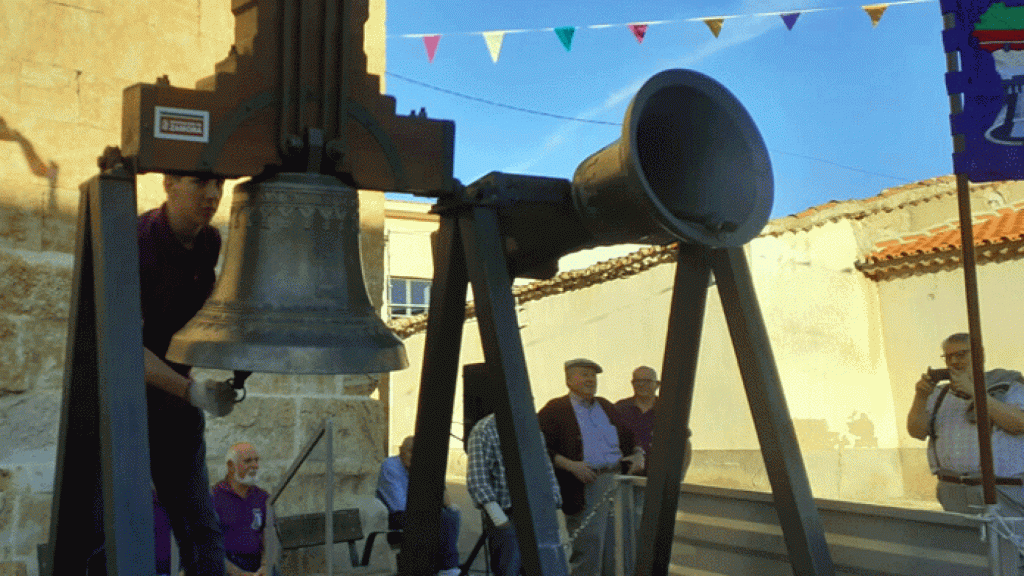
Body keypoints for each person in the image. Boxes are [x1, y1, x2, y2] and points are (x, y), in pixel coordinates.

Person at [136, 173, 236, 574]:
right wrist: (193, 392)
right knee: (110, 534)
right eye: (200, 182)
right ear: (168, 183)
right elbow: (123, 348)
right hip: (123, 407)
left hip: (173, 409)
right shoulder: (136, 241)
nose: (213, 195)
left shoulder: (209, 242)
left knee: (203, 535)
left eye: (220, 184)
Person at [907, 332, 1024, 570]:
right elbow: (917, 431)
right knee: (967, 560)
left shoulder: (1007, 386)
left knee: (1011, 558)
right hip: (953, 490)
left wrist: (975, 392)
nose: (954, 361)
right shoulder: (939, 394)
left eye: (961, 354)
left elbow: (1018, 424)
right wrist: (920, 397)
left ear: (979, 355)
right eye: (948, 357)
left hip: (1000, 491)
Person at [538, 358, 644, 576]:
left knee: (617, 543)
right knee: (589, 545)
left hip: (617, 480)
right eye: (584, 375)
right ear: (569, 379)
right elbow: (538, 447)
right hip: (587, 483)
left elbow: (628, 435)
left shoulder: (605, 405)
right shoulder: (555, 409)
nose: (591, 380)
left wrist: (638, 454)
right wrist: (570, 465)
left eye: (593, 376)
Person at [466, 412, 562, 576]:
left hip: (537, 513)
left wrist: (553, 502)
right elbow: (477, 479)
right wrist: (499, 518)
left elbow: (546, 469)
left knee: (545, 568)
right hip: (507, 514)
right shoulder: (484, 430)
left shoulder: (531, 428)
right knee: (509, 568)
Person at [376, 435, 462, 576]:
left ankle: (444, 566)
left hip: (418, 513)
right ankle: (448, 567)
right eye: (410, 451)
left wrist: (434, 475)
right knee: (439, 517)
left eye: (419, 453)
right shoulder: (390, 466)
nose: (414, 456)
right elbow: (400, 505)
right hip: (396, 517)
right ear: (401, 451)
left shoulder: (423, 466)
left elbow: (446, 502)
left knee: (453, 513)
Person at [213, 442, 280, 576]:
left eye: (256, 460)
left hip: (258, 566)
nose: (255, 465)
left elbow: (271, 536)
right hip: (226, 568)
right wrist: (238, 573)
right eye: (248, 461)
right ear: (231, 466)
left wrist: (266, 566)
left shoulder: (263, 497)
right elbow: (208, 546)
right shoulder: (214, 497)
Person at [613, 366, 692, 477]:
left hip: (658, 478)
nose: (641, 385)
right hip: (625, 476)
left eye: (647, 381)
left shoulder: (669, 410)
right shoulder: (619, 408)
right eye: (637, 381)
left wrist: (679, 476)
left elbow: (684, 445)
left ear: (657, 384)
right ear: (632, 383)